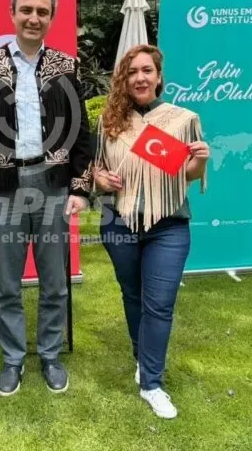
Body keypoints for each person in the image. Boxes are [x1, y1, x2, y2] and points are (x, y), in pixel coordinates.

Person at [0, 0, 92, 396]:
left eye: (42, 11)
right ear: (13, 14)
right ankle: (13, 359)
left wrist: (80, 188)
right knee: (6, 283)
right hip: (5, 187)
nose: (34, 18)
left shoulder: (67, 66)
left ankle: (51, 355)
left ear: (51, 17)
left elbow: (81, 132)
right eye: (27, 10)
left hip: (53, 184)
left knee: (55, 280)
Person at [93, 44, 210, 419]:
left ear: (159, 77)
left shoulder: (183, 119)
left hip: (168, 225)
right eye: (132, 72)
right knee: (132, 295)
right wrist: (101, 179)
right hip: (119, 222)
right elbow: (96, 169)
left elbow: (187, 175)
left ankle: (152, 384)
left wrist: (200, 161)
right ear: (123, 79)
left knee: (159, 303)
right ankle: (141, 357)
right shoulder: (110, 121)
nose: (140, 78)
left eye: (147, 70)